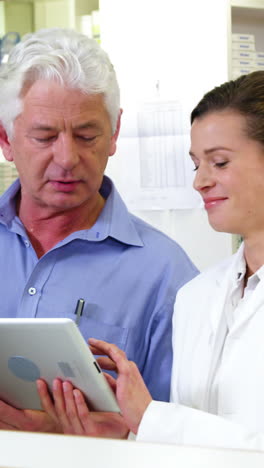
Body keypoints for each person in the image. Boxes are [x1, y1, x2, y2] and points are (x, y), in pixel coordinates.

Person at [38, 69, 264, 451]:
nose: (200, 181)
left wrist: (150, 418)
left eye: (219, 163)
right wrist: (129, 432)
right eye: (197, 164)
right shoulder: (197, 296)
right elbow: (187, 435)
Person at [0, 27, 198, 433]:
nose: (67, 157)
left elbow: (187, 433)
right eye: (44, 136)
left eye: (87, 136)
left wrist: (118, 439)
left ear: (114, 134)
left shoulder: (166, 275)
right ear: (5, 138)